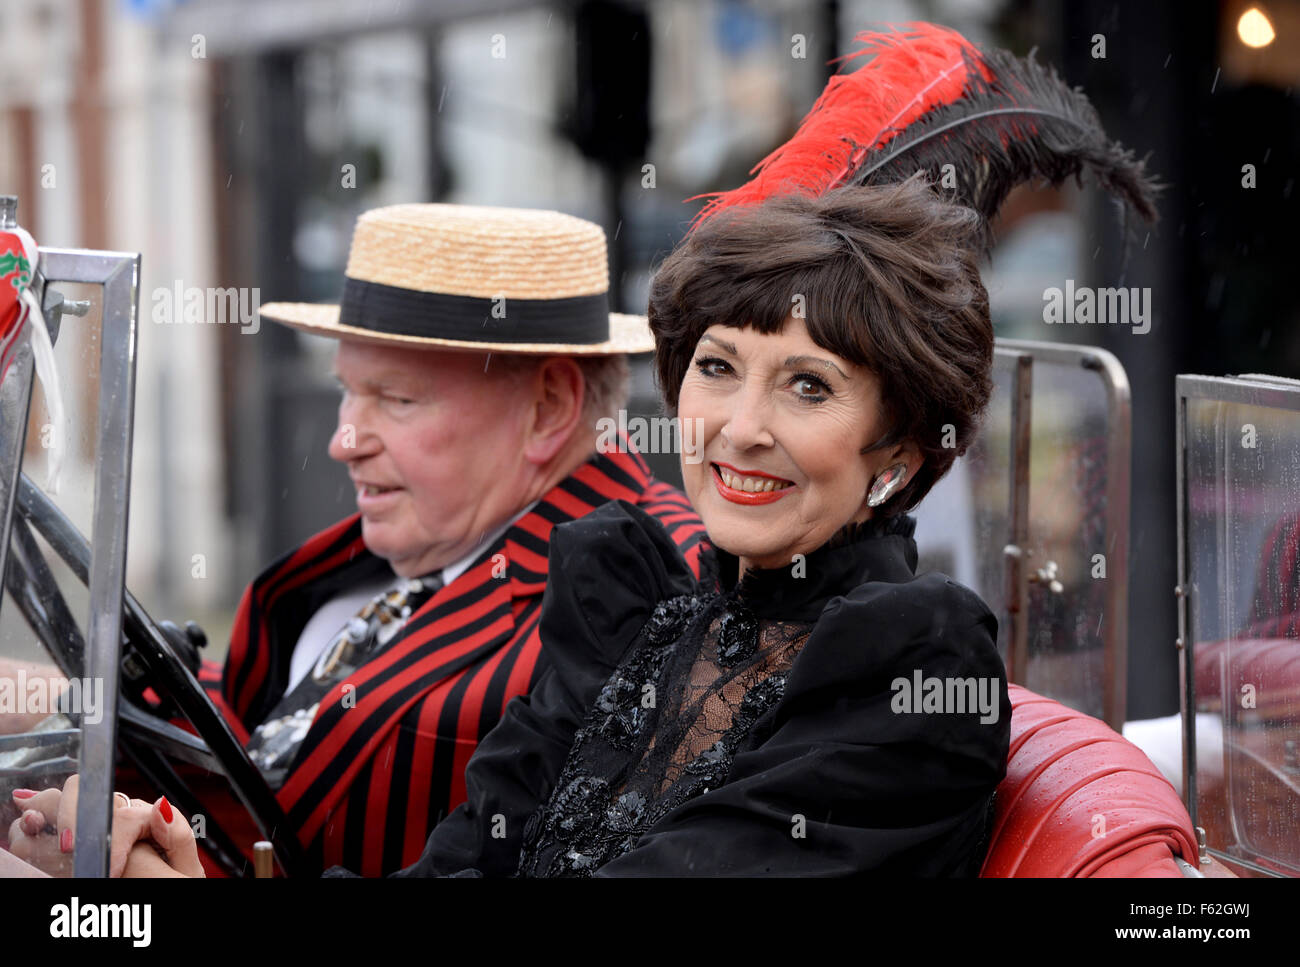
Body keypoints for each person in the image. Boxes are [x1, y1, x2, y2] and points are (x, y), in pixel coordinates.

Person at [70, 173, 1012, 877]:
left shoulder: (913, 658)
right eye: (718, 368)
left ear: (899, 451)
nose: (742, 428)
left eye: (809, 386)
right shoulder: (638, 607)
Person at [2, 203, 705, 877]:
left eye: (397, 398)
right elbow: (271, 733)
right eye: (347, 390)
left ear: (550, 406)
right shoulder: (435, 534)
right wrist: (57, 700)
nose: (343, 441)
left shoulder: (653, 588)